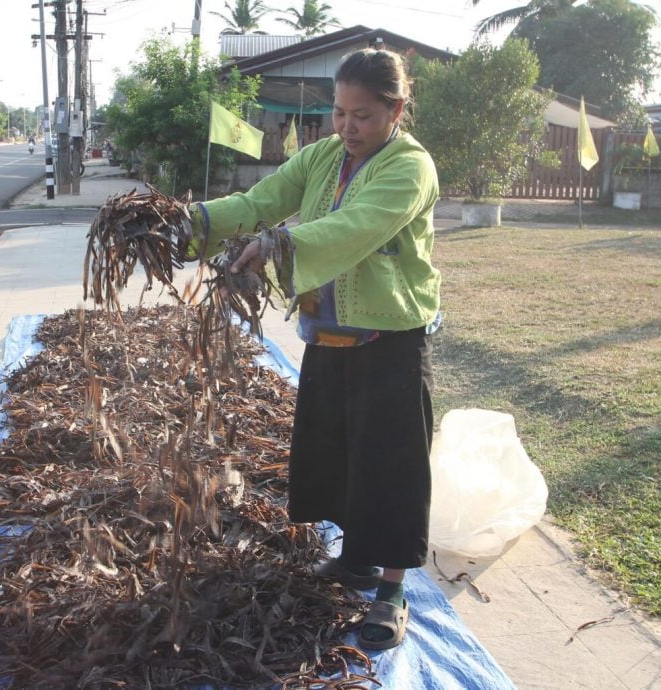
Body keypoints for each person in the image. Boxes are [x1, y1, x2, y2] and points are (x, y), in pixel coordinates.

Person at [191, 48, 440, 650]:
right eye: (339, 112)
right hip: (327, 333)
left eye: (363, 116)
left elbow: (356, 226)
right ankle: (357, 561)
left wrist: (278, 245)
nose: (347, 128)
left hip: (390, 339)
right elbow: (258, 203)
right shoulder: (323, 156)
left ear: (396, 110)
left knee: (390, 467)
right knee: (337, 452)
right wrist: (193, 220)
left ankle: (391, 591)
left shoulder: (410, 167)